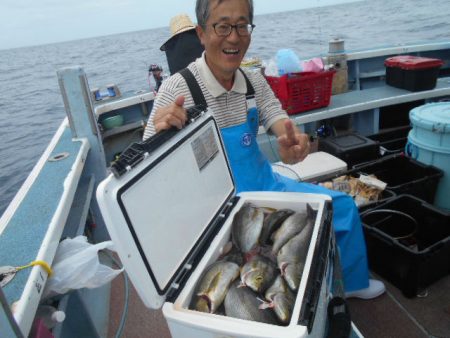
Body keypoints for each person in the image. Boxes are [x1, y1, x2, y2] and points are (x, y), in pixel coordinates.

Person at [143, 0, 385, 300]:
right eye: (222, 26)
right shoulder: (176, 89)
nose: (234, 37)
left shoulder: (253, 80)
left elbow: (276, 116)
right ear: (202, 33)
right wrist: (162, 137)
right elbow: (149, 170)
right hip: (217, 207)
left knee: (343, 207)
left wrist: (294, 139)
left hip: (266, 185)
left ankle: (352, 284)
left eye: (242, 25)